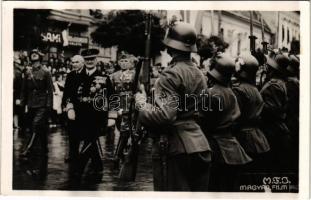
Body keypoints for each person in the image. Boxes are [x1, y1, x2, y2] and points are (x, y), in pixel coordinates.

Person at [135, 22, 212, 191]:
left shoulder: (170, 74)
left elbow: (164, 115)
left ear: (169, 48)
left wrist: (142, 104)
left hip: (175, 145)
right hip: (200, 143)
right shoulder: (200, 73)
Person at [199, 52, 252, 192]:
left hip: (216, 147)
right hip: (232, 146)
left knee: (214, 188)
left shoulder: (210, 93)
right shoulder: (231, 92)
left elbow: (205, 122)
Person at [72, 48, 115, 176]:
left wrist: (112, 116)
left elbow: (112, 97)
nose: (89, 61)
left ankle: (79, 168)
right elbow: (71, 95)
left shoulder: (104, 77)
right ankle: (97, 165)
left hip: (97, 116)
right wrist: (69, 109)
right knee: (89, 140)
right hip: (80, 116)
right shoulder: (77, 76)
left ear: (96, 60)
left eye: (92, 59)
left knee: (90, 140)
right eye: (87, 59)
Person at [232, 53, 270, 185]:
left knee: (243, 182)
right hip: (258, 138)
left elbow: (236, 117)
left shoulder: (239, 90)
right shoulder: (255, 89)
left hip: (244, 139)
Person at [260, 53, 292, 173]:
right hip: (278, 129)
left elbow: (271, 110)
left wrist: (258, 105)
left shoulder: (273, 85)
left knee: (272, 168)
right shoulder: (280, 83)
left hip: (273, 131)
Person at [20, 49, 53, 157]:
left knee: (36, 124)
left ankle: (28, 149)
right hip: (31, 103)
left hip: (42, 104)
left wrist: (49, 105)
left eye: (36, 54)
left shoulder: (46, 71)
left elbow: (50, 90)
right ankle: (44, 148)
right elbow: (24, 89)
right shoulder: (27, 71)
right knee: (38, 127)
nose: (33, 55)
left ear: (40, 57)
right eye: (32, 54)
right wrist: (22, 103)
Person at [110, 52, 137, 166]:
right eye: (121, 61)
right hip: (117, 104)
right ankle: (121, 153)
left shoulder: (135, 74)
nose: (124, 63)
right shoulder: (113, 75)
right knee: (119, 127)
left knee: (125, 130)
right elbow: (111, 92)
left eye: (126, 61)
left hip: (129, 103)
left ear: (130, 63)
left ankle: (117, 154)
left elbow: (139, 89)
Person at [62, 55, 85, 163]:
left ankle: (88, 156)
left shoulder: (86, 74)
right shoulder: (70, 75)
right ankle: (73, 154)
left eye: (76, 62)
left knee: (85, 133)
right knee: (72, 132)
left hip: (84, 107)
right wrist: (65, 105)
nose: (74, 64)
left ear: (82, 63)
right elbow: (66, 91)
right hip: (72, 107)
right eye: (73, 62)